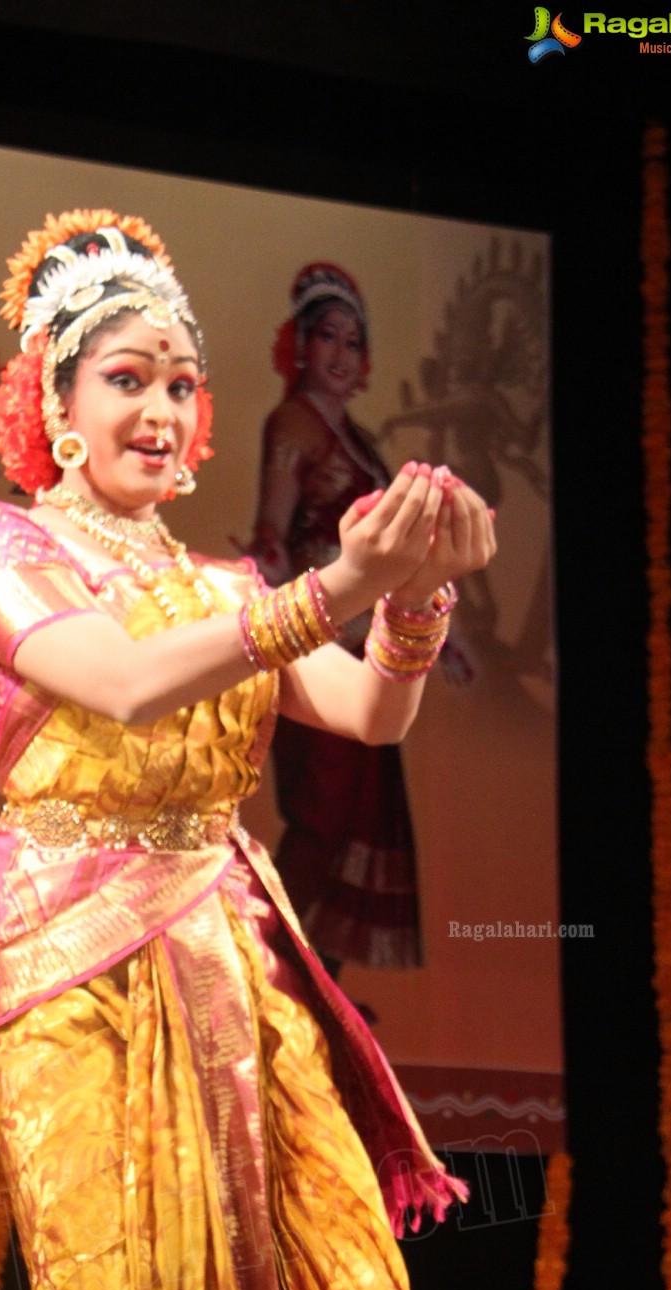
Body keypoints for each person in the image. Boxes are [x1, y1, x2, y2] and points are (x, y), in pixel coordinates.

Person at [0, 211, 495, 1290]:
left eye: (182, 382)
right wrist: (330, 583)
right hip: (60, 943)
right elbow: (117, 684)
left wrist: (411, 596)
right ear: (50, 397)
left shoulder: (224, 576)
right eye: (127, 377)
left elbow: (369, 707)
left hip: (215, 948)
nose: (164, 411)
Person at [248, 263, 424, 975]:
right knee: (320, 821)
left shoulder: (359, 438)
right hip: (314, 651)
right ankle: (273, 983)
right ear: (300, 343)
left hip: (364, 657)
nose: (341, 354)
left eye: (354, 342)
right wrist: (287, 605)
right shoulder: (291, 423)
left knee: (354, 824)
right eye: (328, 337)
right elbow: (271, 533)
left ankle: (319, 993)